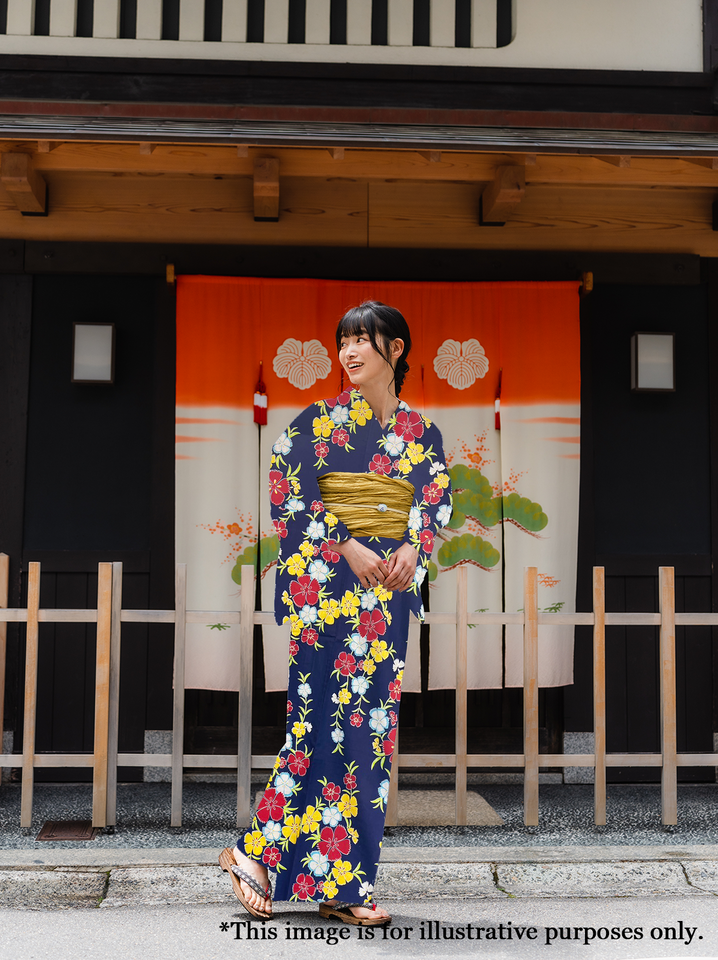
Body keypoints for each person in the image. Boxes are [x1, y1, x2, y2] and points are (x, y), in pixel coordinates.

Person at [220, 301, 452, 924]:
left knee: (369, 736)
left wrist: (413, 546)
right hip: (326, 590)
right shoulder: (315, 423)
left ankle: (334, 881)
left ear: (395, 350)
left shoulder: (422, 434)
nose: (349, 352)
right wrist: (345, 543)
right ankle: (265, 856)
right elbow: (286, 487)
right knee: (317, 723)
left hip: (384, 598)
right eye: (343, 341)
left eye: (363, 341)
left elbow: (434, 501)